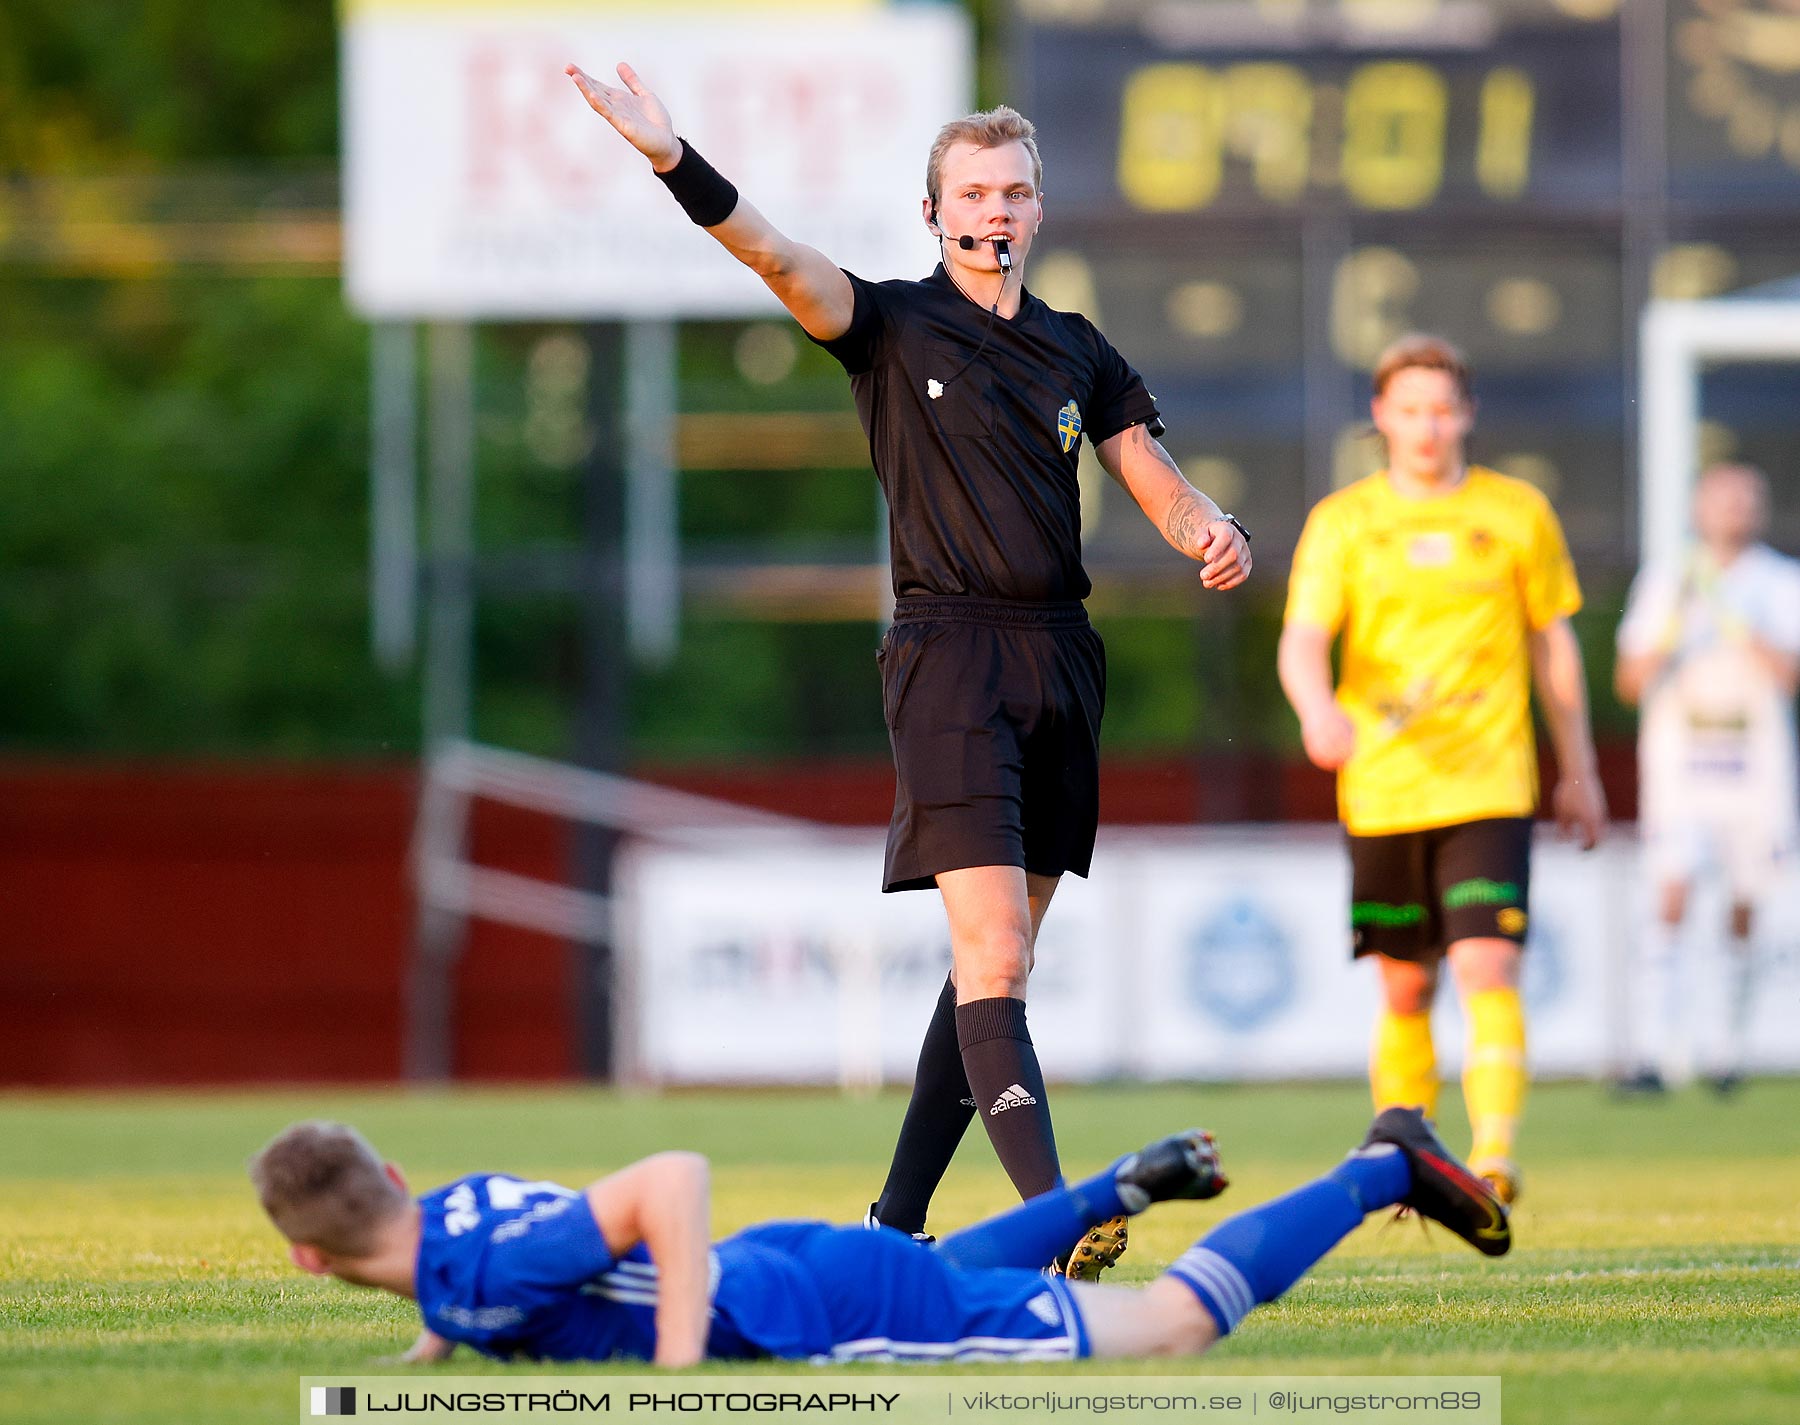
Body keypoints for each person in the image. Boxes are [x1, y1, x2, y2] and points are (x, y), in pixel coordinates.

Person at [564, 63, 1252, 1273]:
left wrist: (1209, 528)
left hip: (1060, 661)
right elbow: (774, 256)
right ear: (932, 212)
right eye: (973, 192)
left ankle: (892, 1225)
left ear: (1038, 212)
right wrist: (676, 158)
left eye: (1015, 192)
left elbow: (1150, 471)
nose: (995, 210)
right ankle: (1063, 1217)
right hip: (948, 656)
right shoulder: (887, 322)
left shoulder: (1078, 351)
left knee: (999, 966)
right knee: (992, 956)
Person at [250, 1107, 1508, 1367]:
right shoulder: (450, 1219)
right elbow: (478, 1275)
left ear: (306, 1259)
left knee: (1170, 1332)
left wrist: (683, 1376)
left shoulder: (468, 1267)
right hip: (800, 1265)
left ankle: (1375, 1168)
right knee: (940, 1277)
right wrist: (429, 1359)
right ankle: (1111, 1191)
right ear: (391, 1179)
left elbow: (669, 1176)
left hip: (810, 1321)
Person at [1277, 333, 1607, 1207]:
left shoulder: (1517, 513)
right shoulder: (1344, 520)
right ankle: (1406, 1158)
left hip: (1491, 781)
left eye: (1441, 409)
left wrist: (1579, 768)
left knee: (1488, 965)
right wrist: (1317, 709)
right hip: (1384, 788)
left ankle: (1493, 1155)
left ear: (1466, 415)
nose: (1426, 427)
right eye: (1409, 409)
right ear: (1383, 416)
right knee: (1406, 983)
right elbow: (1304, 639)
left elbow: (1553, 645)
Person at [1613, 463, 1800, 1095]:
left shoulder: (1780, 581)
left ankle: (1726, 1051)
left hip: (1756, 774)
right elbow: (1630, 682)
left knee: (1744, 905)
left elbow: (1790, 676)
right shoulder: (1669, 581)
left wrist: (1739, 626)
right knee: (1672, 893)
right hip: (1681, 772)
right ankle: (1653, 1055)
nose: (1735, 512)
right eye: (1722, 500)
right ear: (1698, 508)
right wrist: (1673, 630)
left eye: (1747, 501)